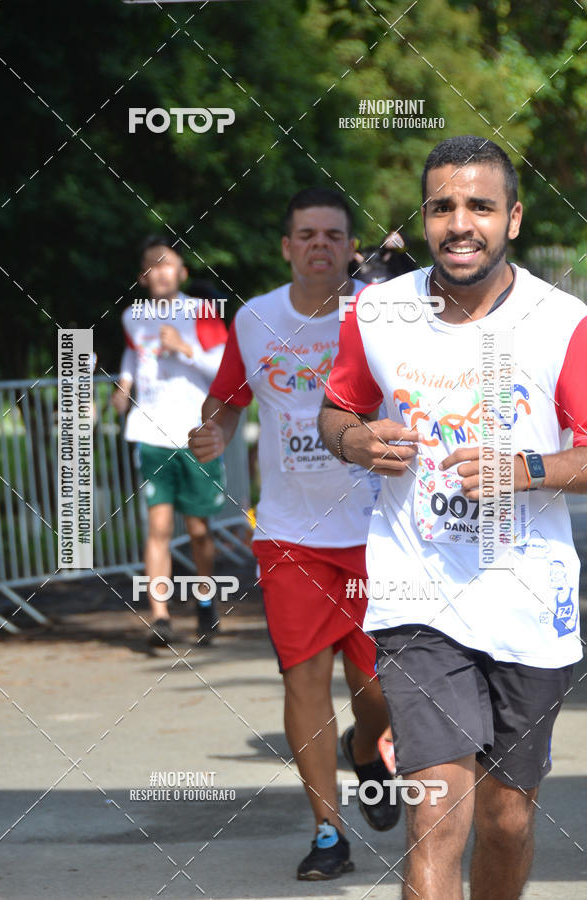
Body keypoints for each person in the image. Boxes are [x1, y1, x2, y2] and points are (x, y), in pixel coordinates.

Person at [318, 134, 587, 899]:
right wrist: (357, 441)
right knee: (436, 817)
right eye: (442, 207)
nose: (459, 223)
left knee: (507, 819)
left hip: (528, 598)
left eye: (480, 206)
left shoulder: (561, 321)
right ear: (425, 217)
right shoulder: (375, 312)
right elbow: (336, 412)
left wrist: (526, 469)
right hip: (418, 591)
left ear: (513, 218)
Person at [188, 188, 400, 880]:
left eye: (333, 236)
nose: (318, 245)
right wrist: (214, 431)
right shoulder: (255, 319)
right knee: (303, 679)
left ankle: (367, 751)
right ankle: (328, 832)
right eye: (306, 235)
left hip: (379, 531)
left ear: (349, 247)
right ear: (287, 247)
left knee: (379, 689)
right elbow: (225, 397)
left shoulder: (380, 319)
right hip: (289, 535)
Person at [112, 236, 228, 647]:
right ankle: (159, 617)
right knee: (158, 525)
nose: (160, 272)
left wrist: (185, 350)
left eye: (168, 264)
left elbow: (225, 370)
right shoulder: (132, 317)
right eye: (151, 266)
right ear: (143, 277)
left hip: (194, 435)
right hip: (149, 431)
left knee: (198, 529)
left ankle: (205, 602)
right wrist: (124, 384)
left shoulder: (202, 312)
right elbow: (133, 354)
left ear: (181, 272)